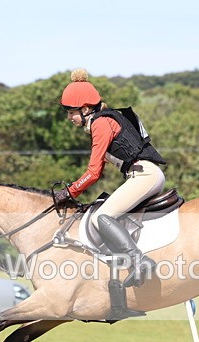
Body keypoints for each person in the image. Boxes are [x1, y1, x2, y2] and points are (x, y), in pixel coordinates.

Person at [54, 68, 166, 288]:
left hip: (144, 175)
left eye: (70, 112)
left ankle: (139, 261)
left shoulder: (100, 124)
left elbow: (94, 171)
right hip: (141, 174)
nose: (68, 117)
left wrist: (70, 192)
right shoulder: (100, 121)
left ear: (85, 108)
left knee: (102, 217)